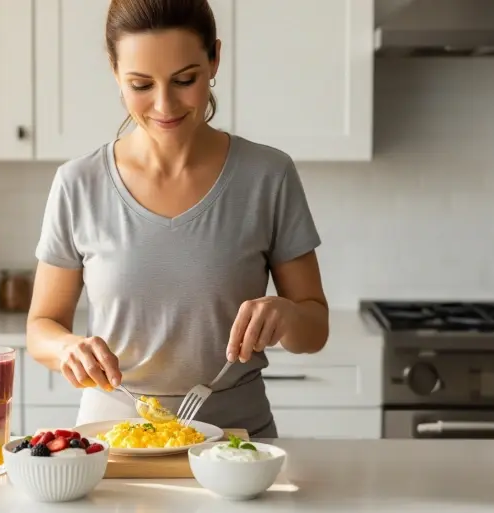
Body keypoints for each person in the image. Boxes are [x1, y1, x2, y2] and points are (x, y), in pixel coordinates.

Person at [26, 0, 329, 438]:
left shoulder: (268, 175)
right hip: (111, 441)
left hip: (237, 444)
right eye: (141, 84)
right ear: (115, 71)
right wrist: (67, 347)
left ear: (214, 59)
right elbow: (41, 327)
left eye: (185, 80)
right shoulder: (78, 183)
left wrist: (286, 316)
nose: (164, 105)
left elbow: (314, 329)